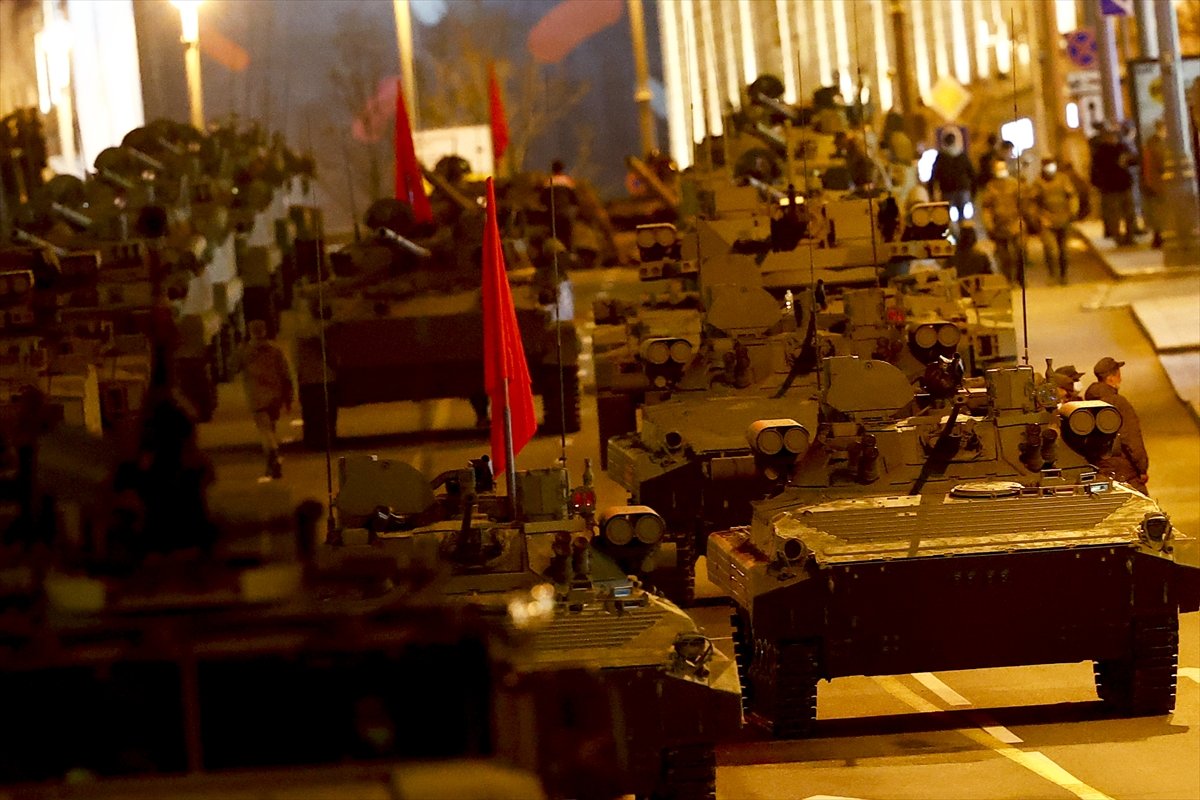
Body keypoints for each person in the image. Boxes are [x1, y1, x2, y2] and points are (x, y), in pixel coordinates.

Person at [1084, 356, 1149, 494]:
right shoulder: (1118, 403)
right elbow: (1131, 438)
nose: (1121, 379)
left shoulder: (1087, 403)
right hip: (1123, 470)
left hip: (1097, 469)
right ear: (1111, 378)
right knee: (1146, 510)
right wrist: (1142, 468)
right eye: (1119, 375)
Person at [240, 319, 294, 479]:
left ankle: (273, 454)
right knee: (270, 426)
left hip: (256, 396)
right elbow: (286, 375)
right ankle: (272, 460)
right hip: (275, 396)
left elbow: (232, 367)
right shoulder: (275, 350)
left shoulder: (245, 351)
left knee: (265, 430)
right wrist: (288, 397)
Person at [1026, 156, 1079, 284]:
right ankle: (1052, 274)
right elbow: (1032, 203)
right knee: (1050, 249)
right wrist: (1038, 218)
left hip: (1063, 219)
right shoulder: (1038, 183)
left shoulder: (1063, 179)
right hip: (1047, 221)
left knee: (1064, 250)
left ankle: (1063, 274)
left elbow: (1072, 196)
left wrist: (1072, 211)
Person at [1088, 121, 1139, 245]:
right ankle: (1118, 238)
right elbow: (1096, 170)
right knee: (1114, 215)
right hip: (1110, 188)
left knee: (1129, 213)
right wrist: (1099, 184)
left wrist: (1128, 161)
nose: (1113, 139)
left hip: (1124, 185)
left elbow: (1134, 160)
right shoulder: (1101, 152)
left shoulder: (1122, 148)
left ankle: (1130, 236)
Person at [978, 159, 1023, 281]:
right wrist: (989, 224)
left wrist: (1023, 220)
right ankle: (1008, 279)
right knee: (1004, 256)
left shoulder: (1014, 184)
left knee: (1020, 251)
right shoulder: (991, 187)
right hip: (999, 226)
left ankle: (1020, 278)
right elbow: (986, 207)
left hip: (1014, 223)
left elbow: (1023, 204)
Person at [929, 131, 976, 222]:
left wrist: (931, 193)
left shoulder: (941, 157)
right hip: (963, 190)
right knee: (965, 219)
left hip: (947, 191)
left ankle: (954, 234)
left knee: (949, 219)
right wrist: (973, 193)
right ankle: (965, 233)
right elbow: (972, 174)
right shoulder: (962, 156)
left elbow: (934, 175)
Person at [1141, 118, 1167, 249]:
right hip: (1160, 185)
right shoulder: (1157, 145)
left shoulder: (1151, 143)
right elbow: (1160, 164)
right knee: (1161, 213)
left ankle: (1159, 237)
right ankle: (1159, 238)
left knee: (1159, 213)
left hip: (1156, 184)